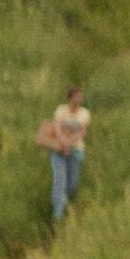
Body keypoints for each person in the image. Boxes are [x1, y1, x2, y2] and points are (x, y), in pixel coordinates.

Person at [35, 87, 91, 225]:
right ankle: (58, 216)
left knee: (73, 183)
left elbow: (82, 132)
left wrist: (68, 143)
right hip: (58, 150)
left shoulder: (84, 113)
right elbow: (57, 127)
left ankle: (69, 207)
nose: (78, 100)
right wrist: (63, 143)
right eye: (76, 97)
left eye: (80, 97)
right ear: (69, 99)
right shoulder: (61, 110)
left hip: (76, 150)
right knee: (59, 180)